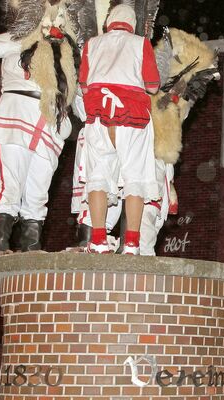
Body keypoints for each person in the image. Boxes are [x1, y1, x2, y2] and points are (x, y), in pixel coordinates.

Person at [0, 0, 78, 256]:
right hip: (17, 116)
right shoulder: (16, 39)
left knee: (38, 192)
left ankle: (31, 250)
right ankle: (0, 247)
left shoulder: (66, 50)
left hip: (50, 123)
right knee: (11, 185)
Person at [78, 4, 160, 255]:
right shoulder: (140, 43)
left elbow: (84, 85)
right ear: (132, 24)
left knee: (98, 177)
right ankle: (132, 244)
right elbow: (153, 86)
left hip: (99, 114)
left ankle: (98, 240)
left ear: (108, 23)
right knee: (135, 178)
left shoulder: (92, 44)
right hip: (131, 115)